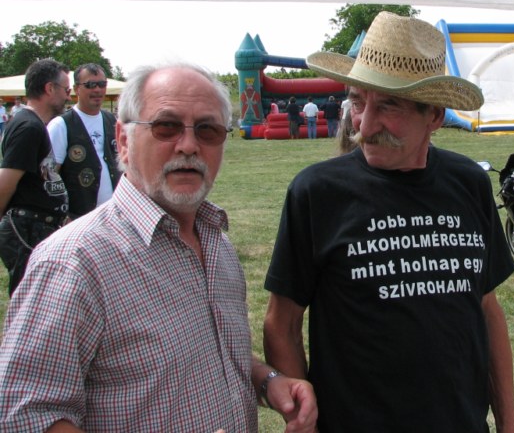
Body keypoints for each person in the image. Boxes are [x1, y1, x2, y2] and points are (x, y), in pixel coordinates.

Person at [0, 62, 317, 432]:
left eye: (208, 130)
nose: (188, 145)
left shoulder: (218, 245)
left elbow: (209, 352)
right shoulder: (73, 262)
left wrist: (266, 380)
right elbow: (26, 416)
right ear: (123, 140)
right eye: (166, 126)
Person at [263, 11, 514, 433]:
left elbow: (486, 308)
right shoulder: (317, 193)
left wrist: (509, 423)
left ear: (434, 116)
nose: (364, 125)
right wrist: (305, 421)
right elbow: (282, 323)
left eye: (388, 105)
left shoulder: (469, 183)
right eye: (358, 102)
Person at [0, 59, 70, 295]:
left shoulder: (31, 124)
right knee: (29, 299)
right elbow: (5, 183)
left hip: (35, 226)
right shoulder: (28, 127)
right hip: (27, 229)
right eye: (66, 89)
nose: (68, 96)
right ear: (50, 88)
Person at [47, 64, 120, 218]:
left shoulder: (111, 120)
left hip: (113, 214)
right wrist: (62, 216)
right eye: (90, 85)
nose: (97, 90)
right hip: (77, 217)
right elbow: (50, 176)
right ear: (76, 89)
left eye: (102, 84)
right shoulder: (61, 125)